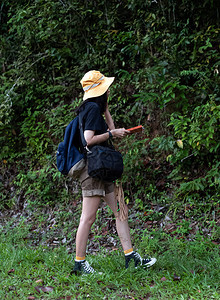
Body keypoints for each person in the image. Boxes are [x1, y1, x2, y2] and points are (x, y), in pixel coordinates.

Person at [73, 70, 156, 274]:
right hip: (93, 171)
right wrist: (111, 133)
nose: (108, 90)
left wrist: (106, 109)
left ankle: (131, 256)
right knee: (88, 218)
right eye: (105, 88)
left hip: (104, 169)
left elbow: (111, 128)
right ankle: (80, 263)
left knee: (121, 211)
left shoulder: (95, 108)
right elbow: (88, 139)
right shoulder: (91, 109)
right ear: (99, 91)